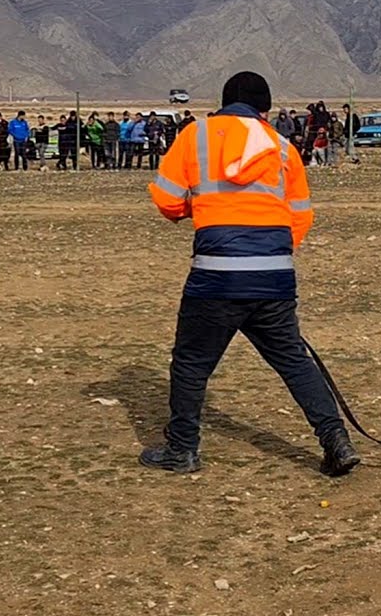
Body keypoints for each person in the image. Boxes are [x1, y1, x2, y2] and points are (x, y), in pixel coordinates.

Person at [141, 71, 360, 477]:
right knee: (294, 362)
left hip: (216, 276)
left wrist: (202, 208)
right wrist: (270, 251)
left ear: (224, 103)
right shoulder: (282, 147)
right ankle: (337, 441)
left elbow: (168, 201)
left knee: (191, 363)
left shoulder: (196, 135)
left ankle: (182, 449)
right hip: (274, 276)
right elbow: (301, 216)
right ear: (265, 108)